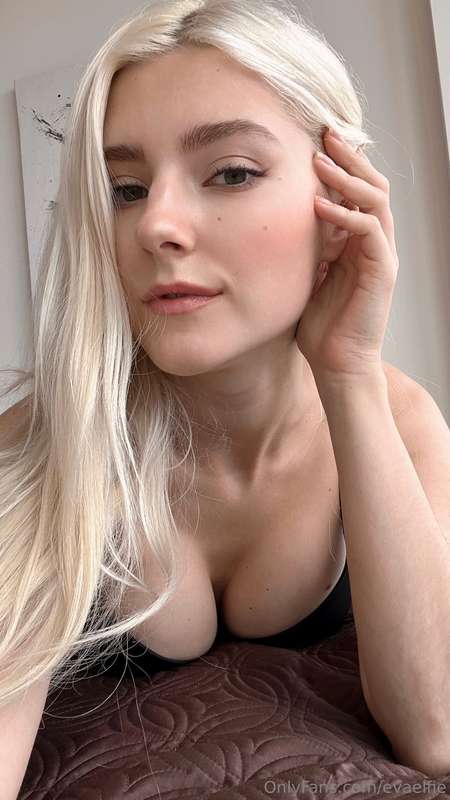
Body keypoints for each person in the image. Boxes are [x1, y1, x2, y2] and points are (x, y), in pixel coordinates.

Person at [0, 0, 382, 706]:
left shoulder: (402, 427)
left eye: (231, 173)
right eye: (126, 190)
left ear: (340, 203)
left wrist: (351, 373)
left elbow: (437, 730)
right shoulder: (39, 445)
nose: (156, 224)